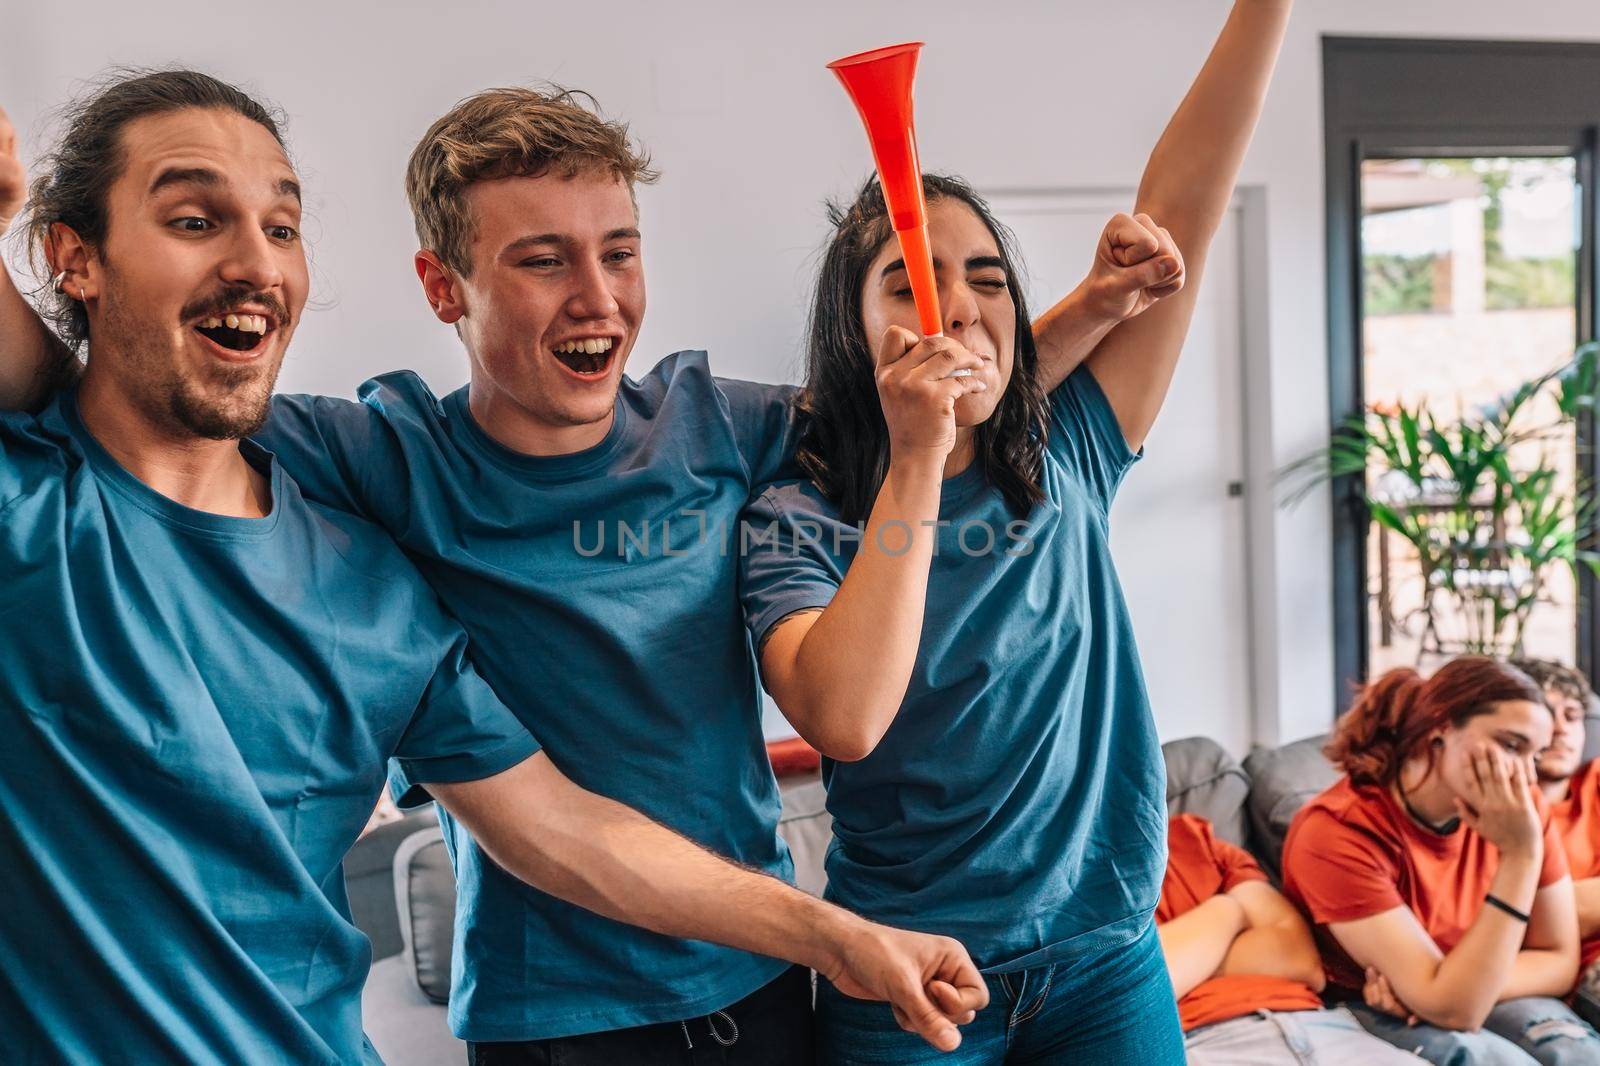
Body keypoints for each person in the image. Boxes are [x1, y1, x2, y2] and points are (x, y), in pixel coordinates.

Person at [0, 74, 1171, 1062]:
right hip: (549, 1012)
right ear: (441, 288)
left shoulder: (714, 426)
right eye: (543, 261)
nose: (598, 297)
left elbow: (920, 401)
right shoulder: (378, 455)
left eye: (618, 252)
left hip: (758, 980)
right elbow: (113, 389)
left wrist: (1085, 306)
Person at [735, 2, 1291, 1060]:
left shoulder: (1067, 446)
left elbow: (1186, 199)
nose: (957, 308)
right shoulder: (794, 520)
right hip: (905, 978)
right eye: (909, 281)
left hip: (1105, 958)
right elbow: (843, 719)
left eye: (986, 281)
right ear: (852, 338)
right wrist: (914, 454)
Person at [1281, 658, 1600, 1065]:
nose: (1525, 776)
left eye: (1532, 756)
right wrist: (1521, 855)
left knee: (1575, 1051)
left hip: (1439, 991)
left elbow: (1560, 960)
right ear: (1440, 729)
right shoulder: (1335, 832)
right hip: (1369, 1004)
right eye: (1510, 745)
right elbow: (1456, 1010)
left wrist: (1453, 986)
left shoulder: (1521, 801)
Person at [1157, 812, 1421, 1064]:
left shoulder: (1198, 840)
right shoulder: (1116, 892)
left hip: (1320, 1026)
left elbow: (1302, 960)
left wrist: (1189, 960)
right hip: (1203, 1040)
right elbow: (1146, 991)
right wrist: (1228, 910)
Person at [1515, 658, 1600, 1026]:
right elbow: (1525, 925)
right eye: (1548, 714)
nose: (1563, 730)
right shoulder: (1496, 810)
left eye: (1573, 715)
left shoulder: (1597, 782)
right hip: (1574, 978)